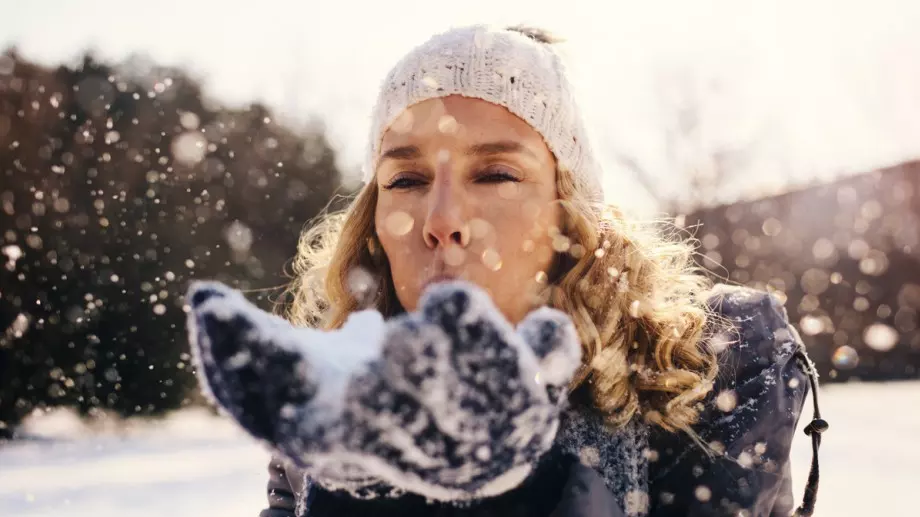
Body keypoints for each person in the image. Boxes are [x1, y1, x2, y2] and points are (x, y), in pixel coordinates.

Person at [186, 24, 827, 517]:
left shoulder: (704, 376)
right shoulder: (327, 402)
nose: (442, 218)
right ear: (374, 222)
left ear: (569, 213)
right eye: (405, 179)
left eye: (495, 173)